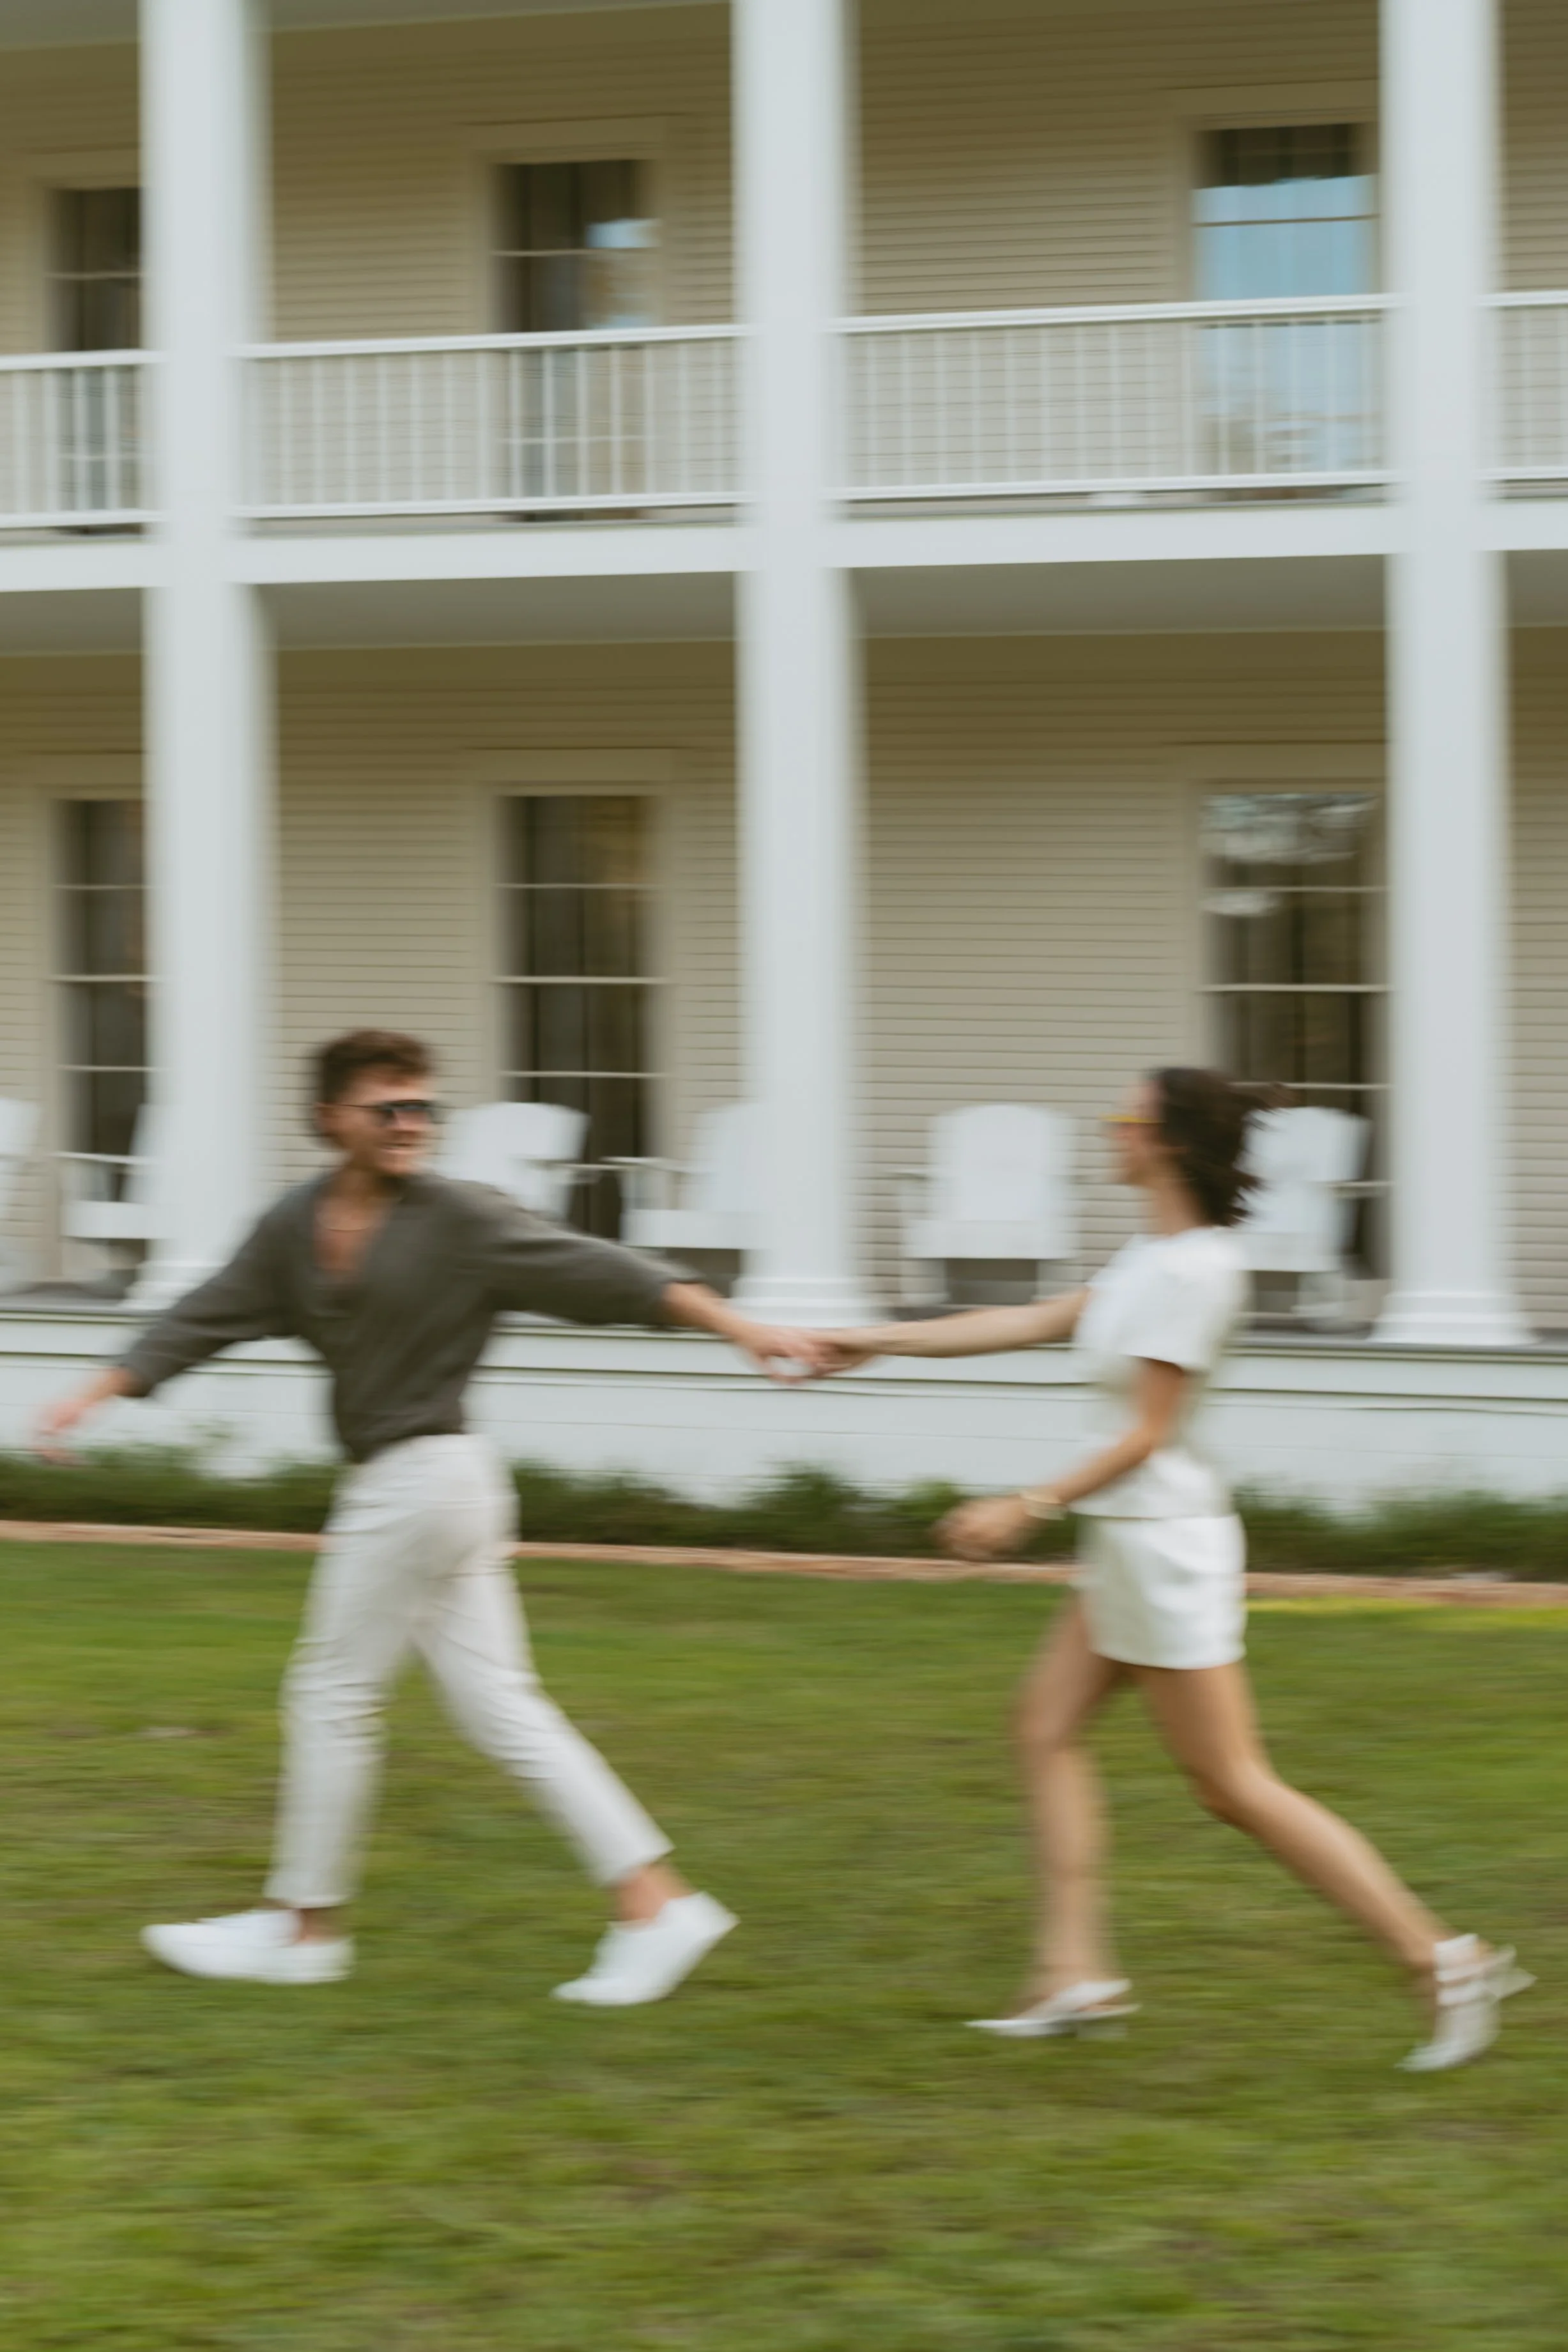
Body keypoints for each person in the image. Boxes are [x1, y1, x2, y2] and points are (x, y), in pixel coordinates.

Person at [36, 1029, 824, 2004]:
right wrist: (95, 1393)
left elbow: (609, 1273)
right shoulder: (295, 1225)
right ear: (331, 1118)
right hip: (420, 1488)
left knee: (331, 1694)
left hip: (425, 1480)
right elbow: (205, 1314)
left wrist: (741, 1326)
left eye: (424, 1108)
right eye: (389, 1108)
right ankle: (656, 1906)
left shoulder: (462, 1218)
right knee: (502, 1708)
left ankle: (303, 1930)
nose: (411, 1124)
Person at [810, 1067, 1530, 2072]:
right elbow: (1032, 1320)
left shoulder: (1200, 1273)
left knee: (1230, 1784)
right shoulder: (1148, 1257)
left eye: (1126, 1117)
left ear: (1169, 1143)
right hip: (1130, 1538)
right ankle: (1070, 1972)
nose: (1110, 1129)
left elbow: (1147, 1433)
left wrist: (1025, 1506)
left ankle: (1440, 1960)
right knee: (1044, 1727)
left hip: (1163, 1547)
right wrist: (871, 1340)